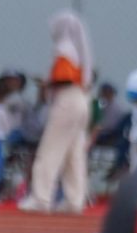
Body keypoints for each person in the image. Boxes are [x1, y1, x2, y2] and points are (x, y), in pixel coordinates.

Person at [21, 11, 94, 214]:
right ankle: (74, 200)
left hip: (67, 101)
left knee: (50, 150)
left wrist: (47, 83)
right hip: (82, 100)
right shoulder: (80, 51)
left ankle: (41, 198)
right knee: (74, 154)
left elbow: (64, 78)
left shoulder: (64, 48)